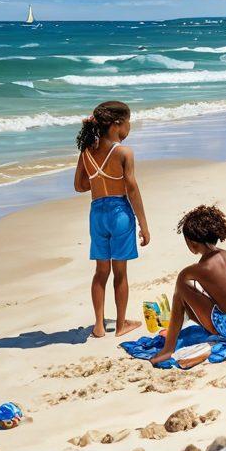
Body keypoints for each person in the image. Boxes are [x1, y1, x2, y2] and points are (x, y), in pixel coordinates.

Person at [74, 100, 150, 339]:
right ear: (118, 124)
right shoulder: (124, 152)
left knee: (100, 272)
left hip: (97, 213)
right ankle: (120, 325)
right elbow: (132, 189)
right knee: (120, 273)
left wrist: (99, 179)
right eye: (129, 122)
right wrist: (143, 225)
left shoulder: (87, 152)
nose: (130, 127)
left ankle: (98, 326)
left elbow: (79, 185)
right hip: (119, 213)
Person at [149, 205, 226, 366]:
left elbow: (185, 299)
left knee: (182, 284)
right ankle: (172, 332)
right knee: (191, 291)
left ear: (191, 242)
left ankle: (168, 348)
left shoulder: (197, 270)